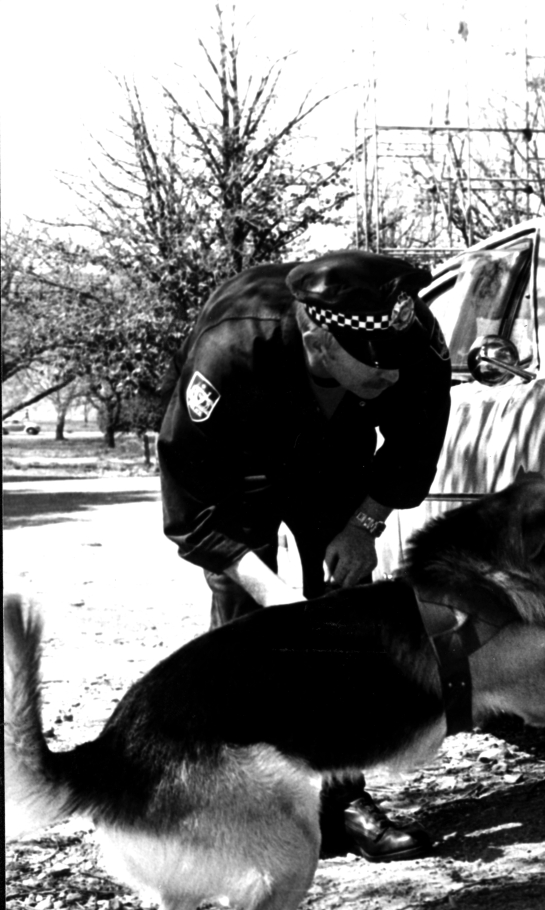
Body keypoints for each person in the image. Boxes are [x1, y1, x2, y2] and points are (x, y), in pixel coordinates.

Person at [157, 250, 453, 863]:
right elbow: (192, 499)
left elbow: (414, 444)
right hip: (239, 468)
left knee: (347, 614)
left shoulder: (410, 341)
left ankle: (341, 800)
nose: (392, 379)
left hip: (333, 455)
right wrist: (266, 588)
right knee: (244, 623)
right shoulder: (231, 351)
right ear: (318, 338)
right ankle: (232, 802)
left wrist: (364, 523)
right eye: (375, 371)